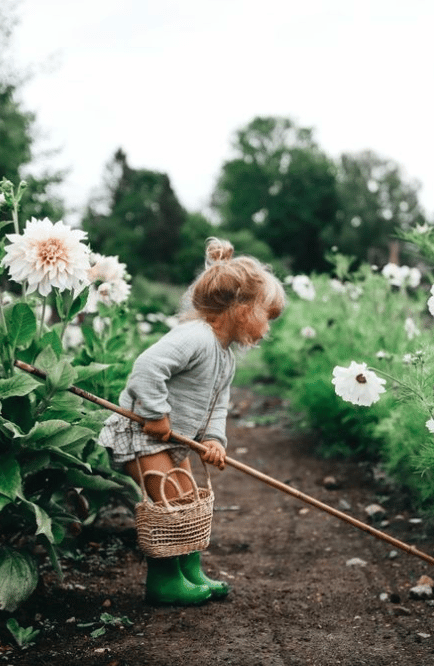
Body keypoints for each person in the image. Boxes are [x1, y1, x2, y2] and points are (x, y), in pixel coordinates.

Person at [98, 237, 286, 605]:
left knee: (189, 504)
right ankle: (164, 583)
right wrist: (155, 414)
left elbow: (218, 404)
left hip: (176, 439)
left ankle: (191, 573)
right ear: (240, 307)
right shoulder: (196, 337)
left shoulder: (226, 356)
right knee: (170, 506)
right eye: (267, 315)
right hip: (143, 434)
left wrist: (215, 440)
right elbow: (146, 369)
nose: (268, 327)